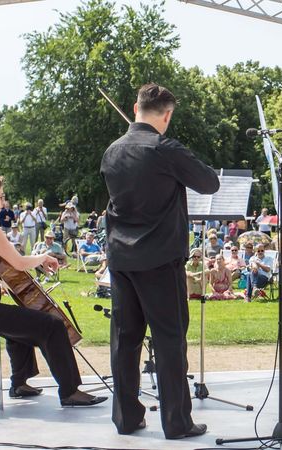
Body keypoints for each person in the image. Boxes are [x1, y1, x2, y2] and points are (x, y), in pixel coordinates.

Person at [100, 83, 218, 439]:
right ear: (166, 115)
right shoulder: (165, 148)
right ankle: (177, 422)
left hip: (121, 257)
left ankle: (126, 417)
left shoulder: (111, 151)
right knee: (169, 342)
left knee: (124, 339)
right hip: (159, 257)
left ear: (135, 108)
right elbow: (209, 182)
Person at [0, 172, 106, 407]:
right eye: (0, 197)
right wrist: (44, 256)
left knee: (18, 324)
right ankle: (70, 391)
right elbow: (19, 263)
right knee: (51, 325)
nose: (3, 201)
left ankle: (19, 383)